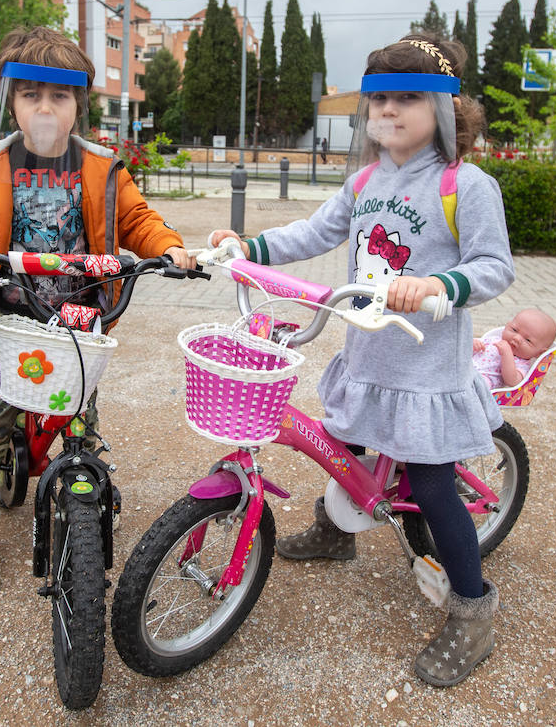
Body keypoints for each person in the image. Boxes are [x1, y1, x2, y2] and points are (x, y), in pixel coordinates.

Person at [209, 34, 513, 688]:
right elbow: (315, 232)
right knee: (340, 440)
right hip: (366, 353)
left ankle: (472, 609)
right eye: (378, 101)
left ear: (445, 112)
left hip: (425, 372)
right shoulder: (366, 180)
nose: (388, 112)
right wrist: (248, 246)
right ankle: (335, 530)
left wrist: (439, 287)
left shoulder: (466, 185)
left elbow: (493, 268)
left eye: (408, 99)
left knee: (433, 487)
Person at [0, 26, 196, 597]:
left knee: (81, 419)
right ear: (13, 102)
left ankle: (88, 490)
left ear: (79, 103)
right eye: (32, 96)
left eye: (59, 96)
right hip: (10, 318)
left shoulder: (102, 167)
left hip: (77, 318)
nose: (45, 108)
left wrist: (168, 247)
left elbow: (138, 220)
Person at [473, 308, 556, 389]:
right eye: (514, 330)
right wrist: (473, 345)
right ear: (507, 326)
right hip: (465, 367)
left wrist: (507, 354)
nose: (517, 338)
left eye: (527, 340)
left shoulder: (523, 365)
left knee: (479, 384)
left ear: (539, 353)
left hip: (481, 381)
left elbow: (512, 381)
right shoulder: (493, 339)